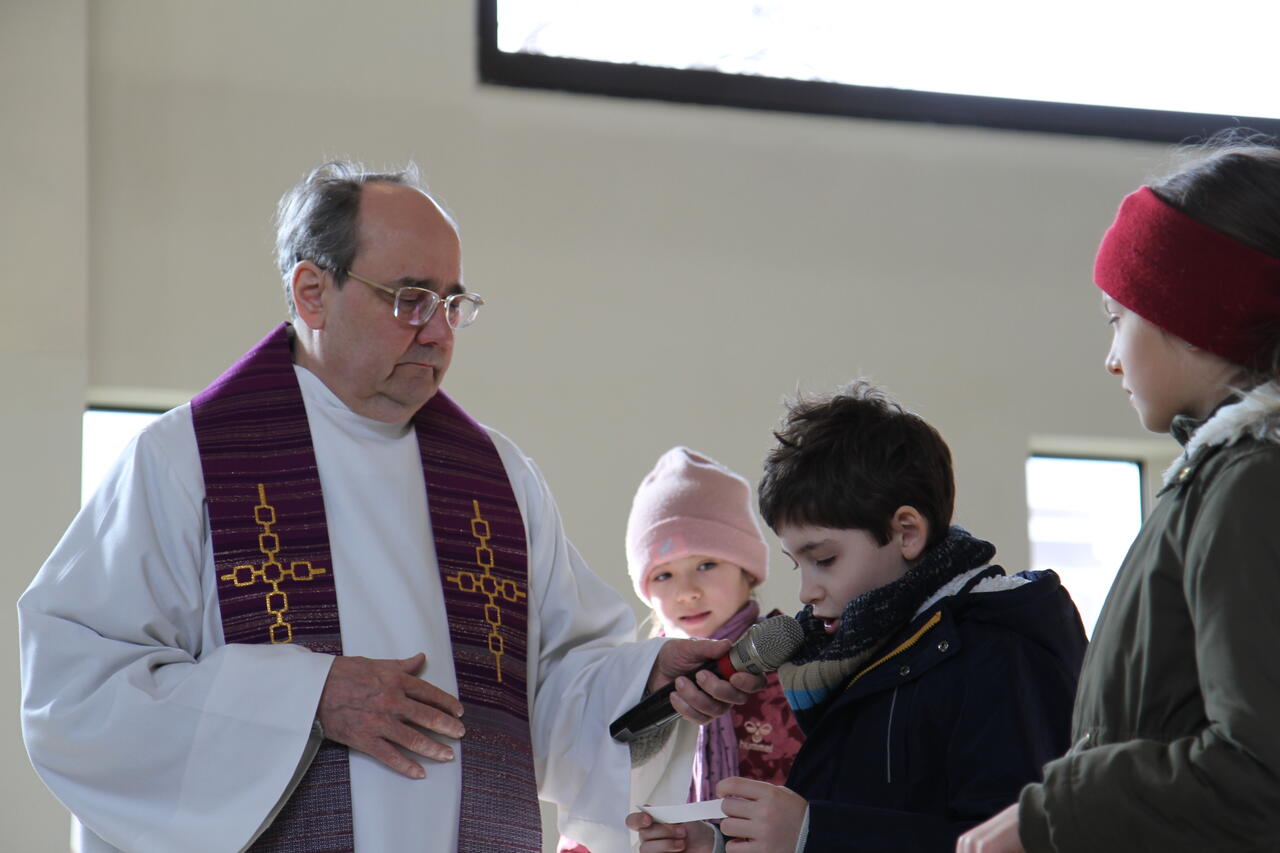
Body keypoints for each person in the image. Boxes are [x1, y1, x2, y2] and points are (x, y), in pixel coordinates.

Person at [17, 161, 765, 853]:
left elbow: (554, 689)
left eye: (452, 303)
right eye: (410, 299)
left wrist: (647, 683)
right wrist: (306, 697)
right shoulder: (186, 461)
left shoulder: (500, 478)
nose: (437, 332)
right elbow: (78, 692)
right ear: (312, 292)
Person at [958, 134, 1280, 853]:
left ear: (1194, 314)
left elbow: (1263, 774)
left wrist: (1055, 813)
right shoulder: (1218, 482)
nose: (1111, 359)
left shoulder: (1249, 486)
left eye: (1118, 318)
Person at [628, 381, 1087, 852]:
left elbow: (1024, 842)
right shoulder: (857, 650)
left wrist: (813, 834)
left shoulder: (998, 651)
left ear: (906, 532)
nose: (806, 591)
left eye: (824, 559)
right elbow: (865, 812)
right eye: (797, 564)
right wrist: (722, 844)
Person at [560, 447, 804, 853]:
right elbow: (591, 805)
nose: (687, 592)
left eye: (707, 565)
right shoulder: (629, 685)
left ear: (747, 570)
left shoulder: (799, 670)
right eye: (664, 575)